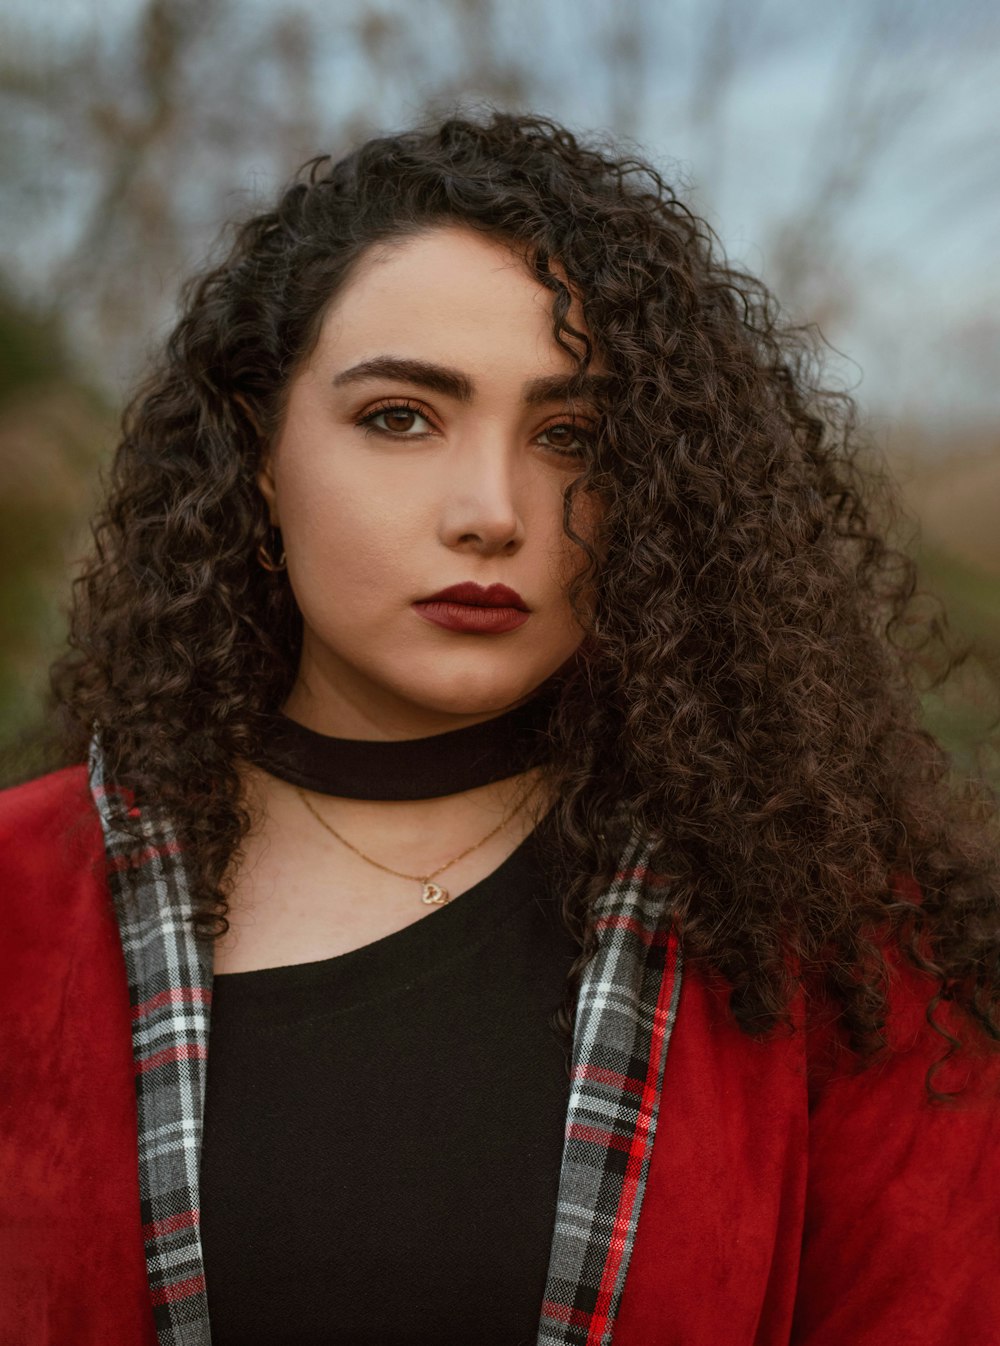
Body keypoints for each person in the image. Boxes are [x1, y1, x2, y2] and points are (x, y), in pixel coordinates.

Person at [1, 111, 998, 1346]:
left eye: (569, 437)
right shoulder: (21, 899)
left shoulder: (840, 941)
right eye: (400, 418)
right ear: (258, 452)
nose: (492, 511)